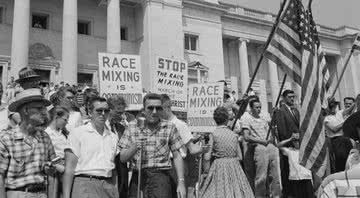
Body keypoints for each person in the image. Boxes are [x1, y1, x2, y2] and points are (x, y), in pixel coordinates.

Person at [119, 93, 186, 198]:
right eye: (150, 108)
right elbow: (122, 158)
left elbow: (177, 155)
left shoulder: (169, 127)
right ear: (143, 109)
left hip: (161, 179)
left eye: (158, 108)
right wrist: (135, 147)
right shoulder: (132, 126)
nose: (154, 112)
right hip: (138, 178)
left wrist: (181, 182)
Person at [0, 88, 56, 198]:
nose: (44, 113)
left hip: (42, 194)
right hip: (17, 194)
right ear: (26, 111)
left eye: (44, 108)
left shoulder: (45, 137)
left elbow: (52, 174)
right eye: (39, 109)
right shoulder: (7, 139)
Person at [62, 96, 119, 198]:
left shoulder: (113, 137)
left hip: (108, 185)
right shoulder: (78, 133)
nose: (103, 114)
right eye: (99, 110)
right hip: (85, 184)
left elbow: (113, 168)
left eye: (106, 111)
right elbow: (69, 168)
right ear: (90, 112)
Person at [199, 106, 254, 198]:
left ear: (215, 120)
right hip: (234, 166)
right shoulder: (234, 135)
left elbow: (207, 157)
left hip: (219, 166)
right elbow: (240, 157)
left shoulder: (213, 134)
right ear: (227, 119)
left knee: (218, 192)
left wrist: (206, 170)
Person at [242, 99, 281, 198]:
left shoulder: (264, 119)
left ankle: (276, 195)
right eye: (256, 107)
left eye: (260, 107)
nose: (259, 109)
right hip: (258, 147)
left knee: (274, 173)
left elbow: (271, 134)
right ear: (251, 108)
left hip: (269, 146)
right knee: (261, 175)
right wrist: (260, 141)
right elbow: (246, 137)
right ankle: (260, 196)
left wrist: (270, 139)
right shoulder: (247, 119)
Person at [107, 95, 135, 198]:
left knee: (122, 189)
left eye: (123, 112)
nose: (121, 115)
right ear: (109, 109)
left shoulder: (121, 125)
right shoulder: (103, 125)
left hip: (121, 162)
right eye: (118, 112)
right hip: (108, 162)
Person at [275, 89, 301, 197]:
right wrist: (290, 141)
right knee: (287, 170)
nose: (292, 98)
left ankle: (296, 192)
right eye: (290, 97)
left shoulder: (296, 111)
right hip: (288, 146)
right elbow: (282, 130)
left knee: (296, 170)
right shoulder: (281, 111)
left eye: (293, 96)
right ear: (284, 98)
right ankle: (288, 193)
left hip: (297, 145)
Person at [277, 132, 314, 198]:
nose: (297, 142)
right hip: (295, 178)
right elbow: (278, 146)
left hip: (306, 177)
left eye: (298, 140)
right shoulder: (289, 151)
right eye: (295, 141)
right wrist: (290, 139)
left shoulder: (307, 150)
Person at [324, 98, 354, 173]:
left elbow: (350, 109)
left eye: (334, 106)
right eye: (331, 106)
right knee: (341, 159)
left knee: (351, 158)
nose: (333, 108)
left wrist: (356, 101)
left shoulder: (340, 112)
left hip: (345, 138)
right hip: (336, 141)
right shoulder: (327, 118)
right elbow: (334, 129)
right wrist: (345, 121)